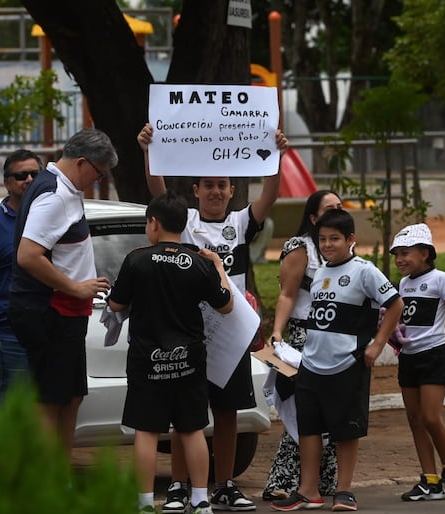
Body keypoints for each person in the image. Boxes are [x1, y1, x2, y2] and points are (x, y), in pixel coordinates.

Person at [137, 122, 288, 513]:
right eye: (209, 185)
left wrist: (278, 155)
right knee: (185, 416)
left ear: (232, 190)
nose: (216, 191)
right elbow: (157, 190)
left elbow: (270, 195)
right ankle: (178, 486)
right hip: (189, 332)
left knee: (227, 412)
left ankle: (224, 485)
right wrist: (148, 151)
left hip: (231, 333)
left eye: (223, 184)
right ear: (196, 191)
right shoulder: (183, 220)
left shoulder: (240, 223)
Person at [108, 190, 234, 514]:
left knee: (147, 432)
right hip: (189, 359)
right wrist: (218, 264)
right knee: (192, 429)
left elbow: (117, 303)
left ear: (153, 223)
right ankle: (201, 499)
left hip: (147, 358)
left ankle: (145, 503)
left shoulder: (136, 259)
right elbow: (226, 305)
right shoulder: (197, 262)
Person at [272, 208, 404, 512]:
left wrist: (377, 344)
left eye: (335, 239)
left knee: (347, 430)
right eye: (322, 239)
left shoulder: (365, 271)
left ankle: (344, 491)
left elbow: (396, 305)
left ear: (351, 239)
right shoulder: (319, 273)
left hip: (347, 364)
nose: (328, 244)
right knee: (308, 428)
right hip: (312, 364)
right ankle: (309, 491)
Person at [7, 128, 116, 453]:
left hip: (65, 313)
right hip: (50, 310)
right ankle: (46, 485)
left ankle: (59, 477)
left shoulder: (62, 190)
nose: (97, 181)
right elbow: (27, 255)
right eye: (99, 173)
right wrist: (75, 287)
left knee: (70, 396)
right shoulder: (54, 194)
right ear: (82, 163)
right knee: (50, 401)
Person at [262, 191, 343, 501]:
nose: (336, 211)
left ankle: (324, 481)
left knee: (331, 412)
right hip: (301, 339)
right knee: (302, 413)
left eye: (339, 207)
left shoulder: (342, 249)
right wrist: (278, 333)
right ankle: (281, 482)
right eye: (328, 209)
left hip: (334, 339)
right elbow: (287, 294)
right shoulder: (301, 249)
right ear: (312, 218)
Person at [388, 223, 445, 502]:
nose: (400, 260)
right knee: (414, 420)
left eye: (405, 253)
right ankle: (430, 480)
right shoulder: (403, 284)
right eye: (397, 255)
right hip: (409, 358)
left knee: (430, 416)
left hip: (433, 355)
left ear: (425, 253)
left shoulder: (441, 279)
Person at [0, 149, 42, 408]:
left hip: (53, 334)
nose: (29, 180)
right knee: (14, 417)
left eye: (35, 174)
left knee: (49, 420)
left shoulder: (54, 219)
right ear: (7, 183)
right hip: (10, 335)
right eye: (21, 175)